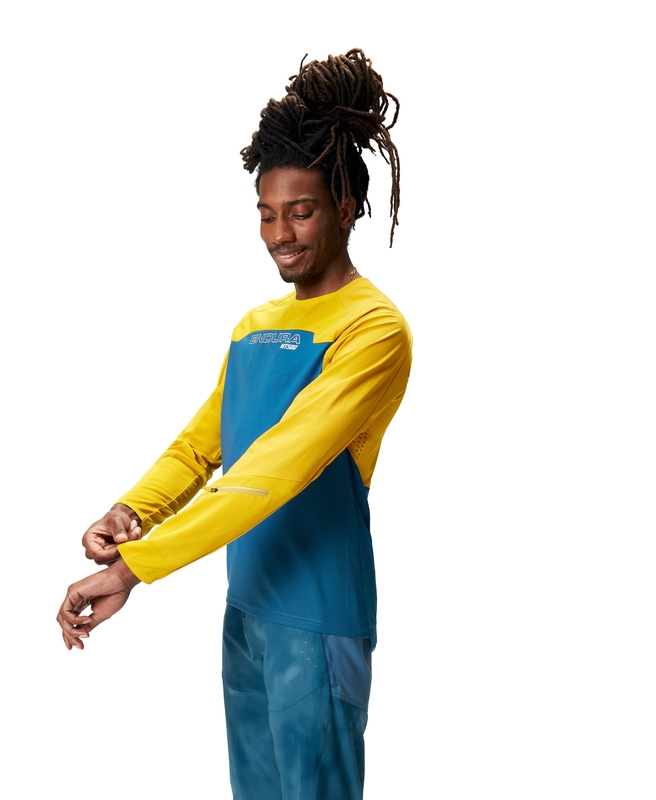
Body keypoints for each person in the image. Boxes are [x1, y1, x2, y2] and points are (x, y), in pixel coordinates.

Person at [56, 48, 412, 799]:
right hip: (246, 609)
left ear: (347, 206)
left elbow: (273, 469)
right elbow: (202, 446)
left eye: (301, 211)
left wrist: (134, 568)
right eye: (267, 213)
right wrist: (131, 512)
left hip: (317, 619)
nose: (281, 233)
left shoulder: (374, 329)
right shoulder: (257, 325)